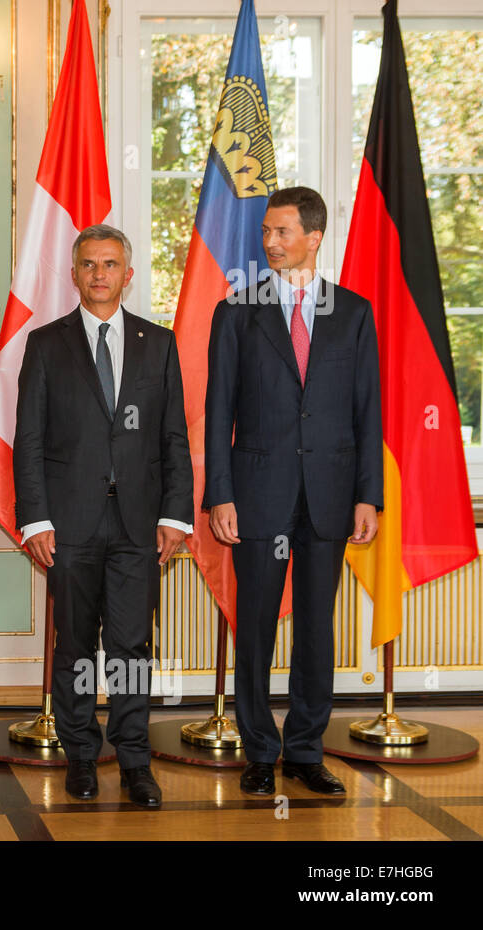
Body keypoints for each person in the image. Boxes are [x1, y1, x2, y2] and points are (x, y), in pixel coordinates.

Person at [205, 186, 381, 796]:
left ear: (314, 236)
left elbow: (367, 413)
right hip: (255, 496)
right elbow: (217, 409)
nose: (271, 243)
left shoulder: (354, 313)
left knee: (315, 628)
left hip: (330, 498)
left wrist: (368, 496)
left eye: (282, 232)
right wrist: (219, 494)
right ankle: (259, 748)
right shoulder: (236, 310)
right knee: (254, 626)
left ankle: (305, 750)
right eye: (266, 234)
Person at [13, 224, 193, 808]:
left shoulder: (158, 344)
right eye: (88, 264)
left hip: (140, 526)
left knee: (132, 646)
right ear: (74, 273)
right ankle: (81, 757)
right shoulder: (46, 344)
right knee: (74, 647)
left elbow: (173, 439)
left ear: (128, 273)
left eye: (110, 264)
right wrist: (36, 520)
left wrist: (175, 515)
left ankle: (136, 761)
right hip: (68, 526)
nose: (99, 274)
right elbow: (29, 441)